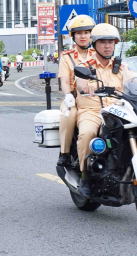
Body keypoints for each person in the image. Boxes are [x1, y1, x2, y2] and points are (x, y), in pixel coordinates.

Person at [74, 23, 137, 197]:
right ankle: (85, 177)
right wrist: (86, 87)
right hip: (92, 109)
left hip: (117, 109)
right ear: (95, 44)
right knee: (87, 134)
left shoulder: (121, 66)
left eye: (111, 42)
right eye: (103, 42)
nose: (107, 46)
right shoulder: (86, 65)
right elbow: (80, 83)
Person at [57, 15, 96, 167]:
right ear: (73, 36)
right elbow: (65, 81)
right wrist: (68, 96)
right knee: (69, 114)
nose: (83, 36)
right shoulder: (67, 57)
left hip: (95, 99)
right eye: (79, 33)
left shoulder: (98, 54)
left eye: (87, 32)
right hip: (74, 99)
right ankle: (65, 152)